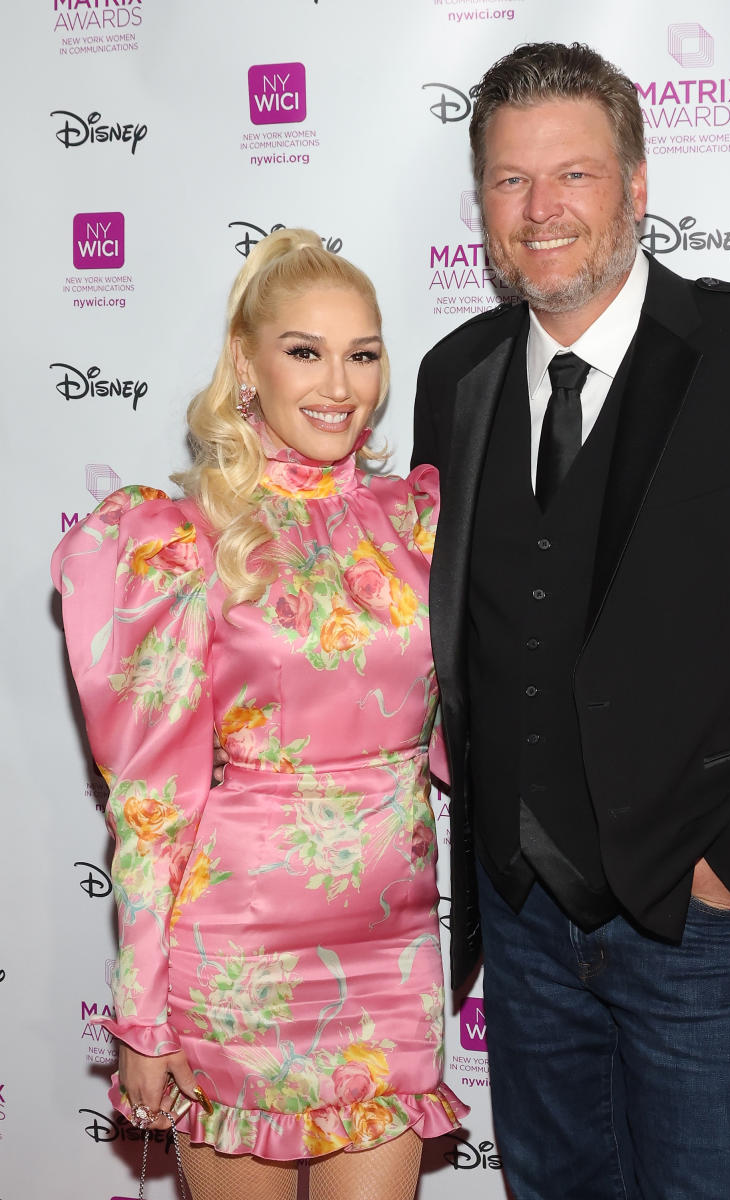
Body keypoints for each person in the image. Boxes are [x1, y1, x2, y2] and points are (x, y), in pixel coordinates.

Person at [412, 42, 730, 1200]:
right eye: (509, 181)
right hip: (523, 921)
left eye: (575, 175)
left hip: (699, 926)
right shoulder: (456, 376)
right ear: (482, 203)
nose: (541, 211)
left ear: (637, 186)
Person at [53, 229, 466, 1200]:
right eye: (305, 351)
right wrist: (143, 1019)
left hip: (392, 955)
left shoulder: (417, 523)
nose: (340, 384)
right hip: (237, 963)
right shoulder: (179, 537)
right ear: (247, 364)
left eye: (363, 354)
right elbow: (152, 800)